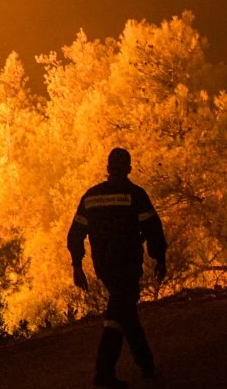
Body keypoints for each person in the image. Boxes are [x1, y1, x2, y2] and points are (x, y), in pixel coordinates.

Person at [67, 147, 168, 389]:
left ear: (108, 168)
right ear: (128, 169)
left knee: (125, 311)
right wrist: (160, 259)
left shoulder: (91, 197)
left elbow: (75, 234)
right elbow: (154, 229)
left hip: (104, 267)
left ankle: (146, 366)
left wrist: (77, 265)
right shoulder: (135, 195)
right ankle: (104, 372)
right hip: (128, 264)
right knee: (117, 314)